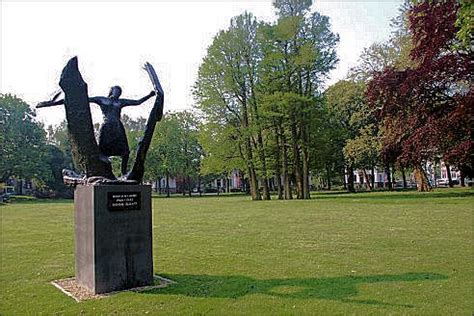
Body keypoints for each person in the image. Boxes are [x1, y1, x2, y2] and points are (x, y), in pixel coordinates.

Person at [37, 86, 156, 176]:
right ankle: (102, 173)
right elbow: (81, 99)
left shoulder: (120, 102)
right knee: (102, 153)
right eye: (116, 91)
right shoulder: (101, 99)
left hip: (117, 127)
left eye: (119, 92)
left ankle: (124, 174)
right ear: (111, 91)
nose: (118, 93)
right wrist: (55, 102)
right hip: (107, 128)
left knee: (125, 153)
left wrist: (150, 95)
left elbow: (137, 102)